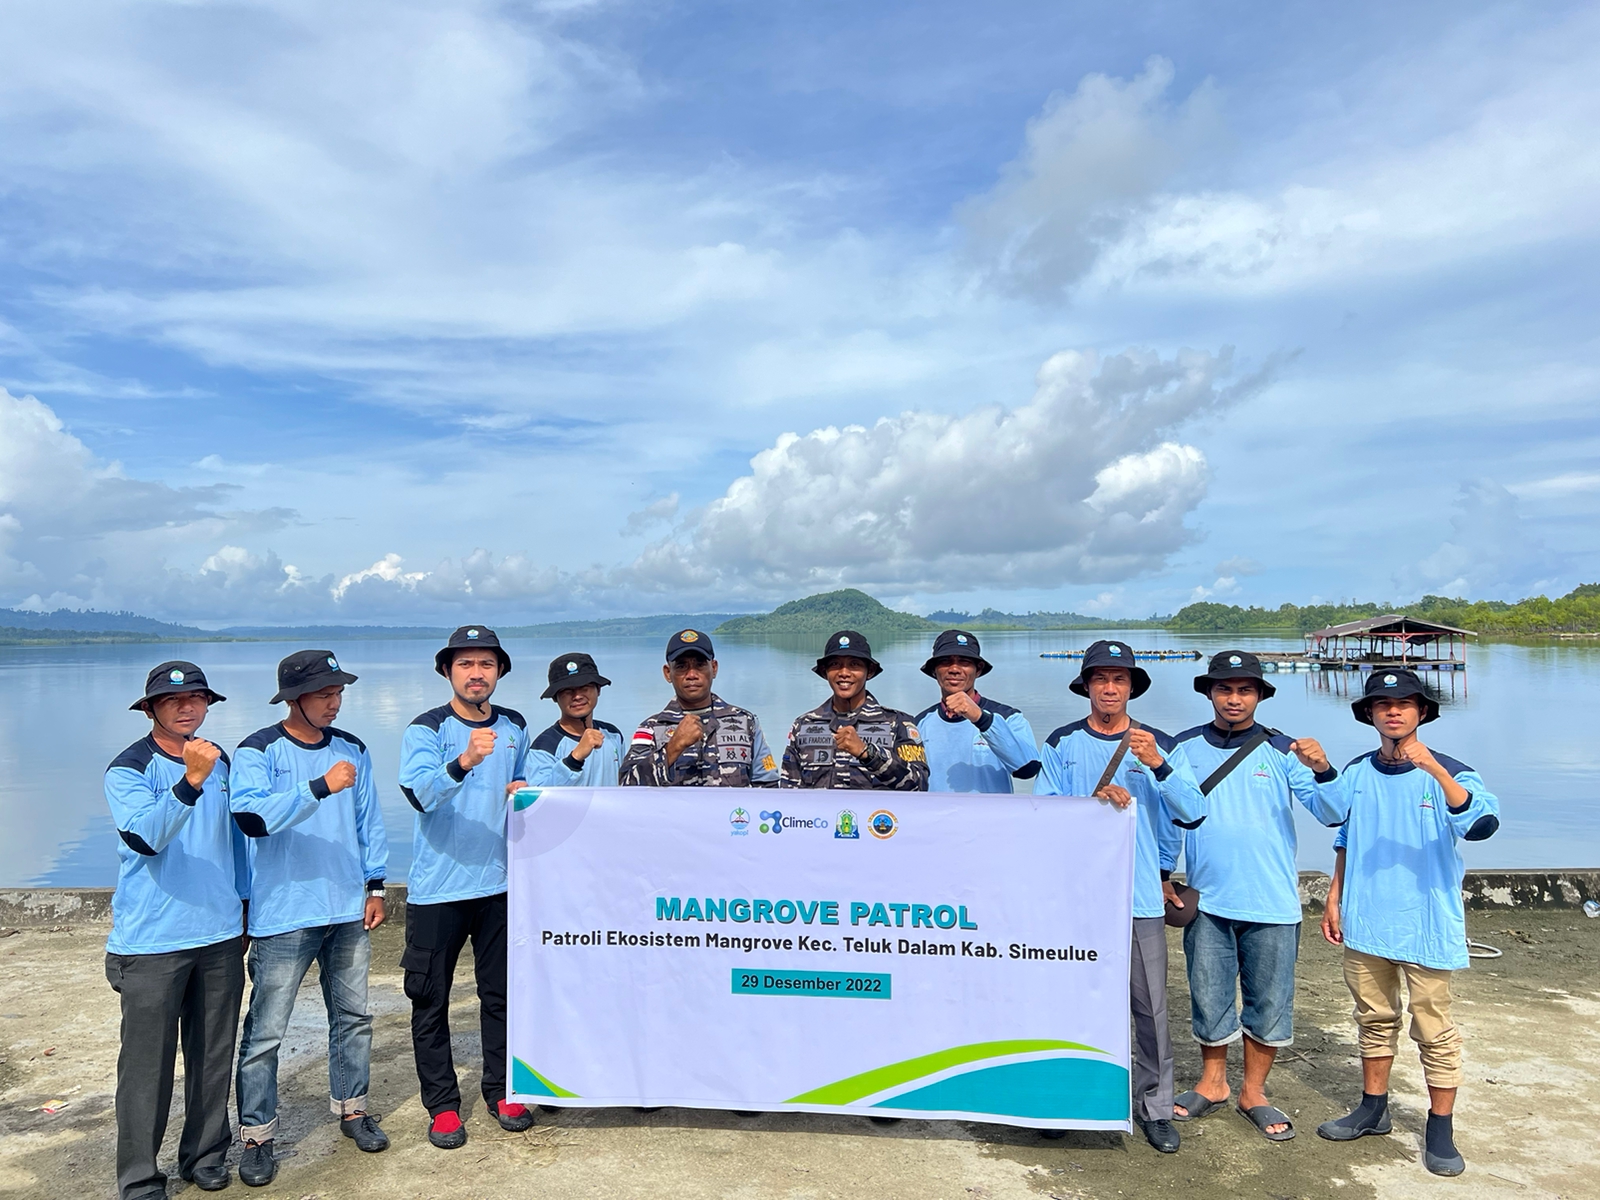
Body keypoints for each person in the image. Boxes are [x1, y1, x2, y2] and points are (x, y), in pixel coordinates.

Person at [1316, 668, 1500, 1177]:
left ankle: (1440, 1128)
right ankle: (1373, 1108)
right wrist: (1335, 895)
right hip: (1367, 917)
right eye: (1382, 704)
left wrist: (1435, 771)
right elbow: (1342, 830)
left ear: (1422, 712)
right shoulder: (1357, 770)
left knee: (1434, 1028)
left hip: (1426, 921)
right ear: (1370, 714)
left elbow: (1481, 825)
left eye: (1404, 703)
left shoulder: (1454, 770)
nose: (1393, 711)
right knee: (1373, 1018)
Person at [1165, 650, 1348, 1141]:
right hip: (1208, 899)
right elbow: (1167, 818)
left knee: (1268, 1001)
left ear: (1260, 696)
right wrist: (1164, 873)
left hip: (1271, 900)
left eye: (1245, 690)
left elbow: (1331, 812)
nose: (1234, 698)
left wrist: (1325, 768)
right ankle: (1213, 1083)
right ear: (1209, 693)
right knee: (1208, 996)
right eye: (1224, 689)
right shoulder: (1180, 748)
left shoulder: (1284, 749)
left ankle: (1254, 1091)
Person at [1036, 640, 1206, 1154]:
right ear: (1086, 686)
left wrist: (1158, 764)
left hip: (1139, 899)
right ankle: (1069, 1096)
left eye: (1120, 680)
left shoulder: (1158, 745)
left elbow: (1192, 812)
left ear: (1132, 687)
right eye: (1100, 679)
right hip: (1077, 896)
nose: (1110, 688)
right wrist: (1091, 802)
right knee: (1070, 999)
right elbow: (1044, 815)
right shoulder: (1061, 743)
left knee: (1149, 1006)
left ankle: (1155, 1105)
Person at [230, 650, 389, 1187]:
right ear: (294, 698)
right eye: (324, 693)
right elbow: (250, 818)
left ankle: (352, 1109)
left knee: (353, 1017)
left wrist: (375, 884)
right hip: (283, 914)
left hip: (347, 906)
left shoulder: (353, 749)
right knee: (266, 1031)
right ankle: (257, 1136)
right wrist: (318, 787)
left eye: (338, 692)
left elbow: (370, 820)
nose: (334, 702)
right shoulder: (258, 749)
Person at [104, 662, 246, 1199]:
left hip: (218, 933)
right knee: (147, 1070)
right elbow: (147, 837)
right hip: (152, 943)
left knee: (213, 1056)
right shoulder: (129, 768)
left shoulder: (220, 760)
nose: (187, 708)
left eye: (197, 699)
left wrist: (245, 904)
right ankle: (140, 1177)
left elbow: (237, 841)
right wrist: (190, 781)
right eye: (173, 700)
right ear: (151, 708)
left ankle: (205, 1155)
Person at [397, 626, 538, 1150]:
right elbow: (419, 796)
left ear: (499, 671)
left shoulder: (517, 726)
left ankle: (501, 1090)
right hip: (439, 890)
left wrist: (523, 791)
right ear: (447, 672)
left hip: (499, 885)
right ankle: (442, 1107)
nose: (476, 673)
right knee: (428, 999)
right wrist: (464, 762)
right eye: (465, 664)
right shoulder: (426, 729)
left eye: (486, 664)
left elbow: (524, 785)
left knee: (500, 994)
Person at [620, 630, 780, 787]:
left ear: (714, 668)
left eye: (700, 665)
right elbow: (626, 787)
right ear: (668, 673)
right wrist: (672, 749)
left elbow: (768, 786)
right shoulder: (650, 729)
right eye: (682, 666)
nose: (691, 674)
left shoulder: (746, 723)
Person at [780, 630, 928, 791]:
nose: (844, 673)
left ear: (869, 671)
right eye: (835, 665)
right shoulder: (803, 726)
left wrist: (868, 754)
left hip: (876, 816)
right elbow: (788, 793)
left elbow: (919, 785)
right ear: (825, 672)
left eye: (854, 665)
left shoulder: (898, 724)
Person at [914, 629, 1039, 792]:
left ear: (978, 669)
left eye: (964, 662)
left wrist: (981, 719)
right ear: (934, 670)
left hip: (989, 816)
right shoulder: (919, 724)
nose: (954, 669)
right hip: (937, 816)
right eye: (945, 661)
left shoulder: (1009, 718)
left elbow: (1028, 769)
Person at [528, 652, 624, 786]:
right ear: (555, 697)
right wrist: (575, 758)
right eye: (568, 691)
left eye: (585, 688)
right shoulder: (545, 746)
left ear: (598, 690)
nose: (577, 696)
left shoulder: (613, 735)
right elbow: (538, 798)